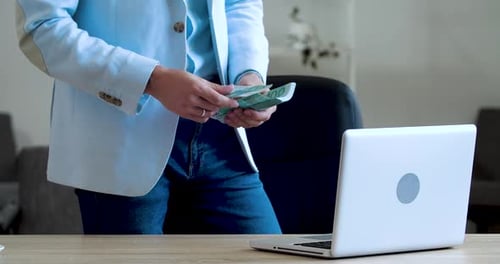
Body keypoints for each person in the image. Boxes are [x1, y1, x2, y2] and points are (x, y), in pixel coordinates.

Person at [16, 0, 282, 234]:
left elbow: (238, 4)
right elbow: (42, 27)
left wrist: (249, 75)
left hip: (221, 137)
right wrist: (150, 79)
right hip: (119, 139)